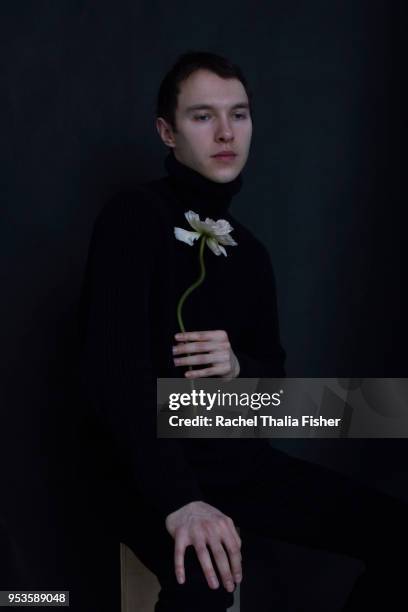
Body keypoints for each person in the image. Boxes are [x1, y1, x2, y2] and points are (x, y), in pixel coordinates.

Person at [78, 51, 407, 611]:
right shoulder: (134, 215)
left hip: (232, 466)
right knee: (207, 583)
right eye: (203, 116)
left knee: (400, 534)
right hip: (142, 469)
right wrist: (181, 500)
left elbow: (270, 392)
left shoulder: (249, 251)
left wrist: (236, 371)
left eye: (240, 114)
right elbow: (113, 374)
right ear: (167, 131)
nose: (226, 132)